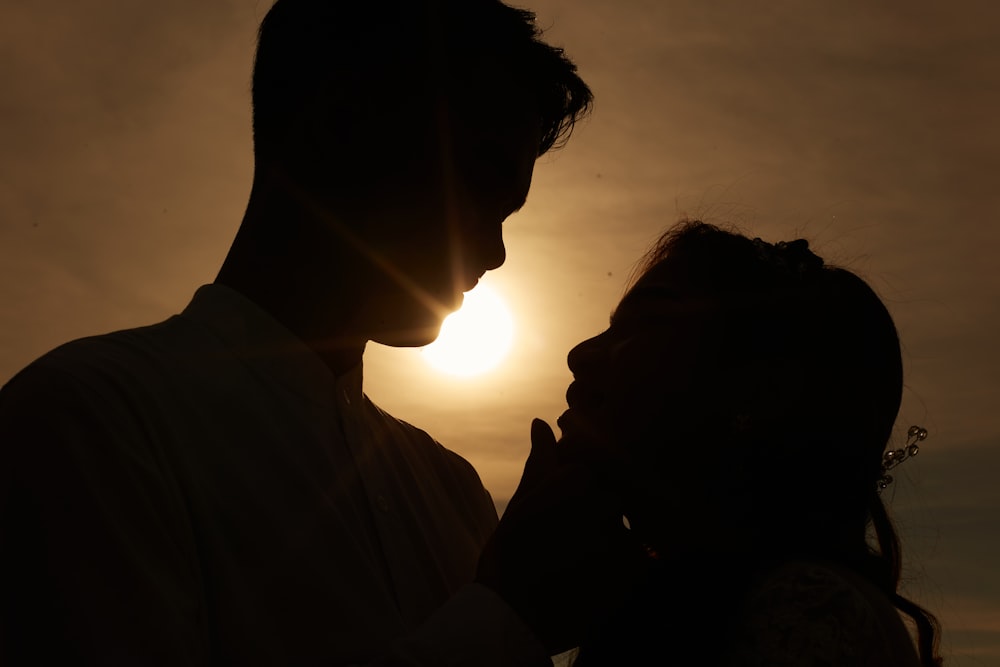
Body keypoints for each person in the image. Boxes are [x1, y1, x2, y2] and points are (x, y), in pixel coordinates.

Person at [0, 1, 592, 664]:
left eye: (508, 213)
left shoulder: (453, 491)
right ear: (337, 130)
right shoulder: (89, 424)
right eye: (479, 183)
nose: (497, 251)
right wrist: (509, 614)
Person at [481, 221, 943, 665]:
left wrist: (503, 607)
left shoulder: (807, 611)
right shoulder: (688, 601)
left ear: (759, 387)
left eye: (644, 322)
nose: (579, 354)